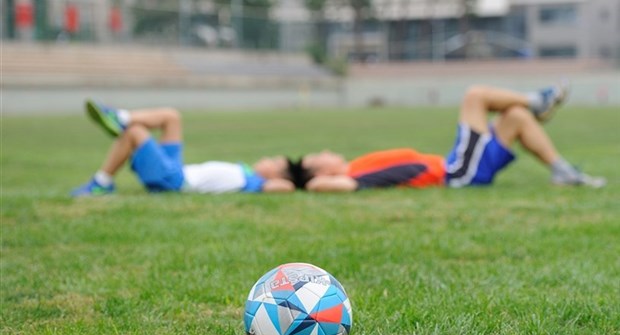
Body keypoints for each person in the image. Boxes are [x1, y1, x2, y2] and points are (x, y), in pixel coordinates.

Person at [298, 84, 607, 192]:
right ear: (323, 172)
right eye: (318, 156)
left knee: (515, 117)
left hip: (458, 167)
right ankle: (538, 100)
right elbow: (320, 186)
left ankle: (562, 170)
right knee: (475, 96)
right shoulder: (353, 177)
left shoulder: (355, 166)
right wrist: (306, 180)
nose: (325, 150)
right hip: (457, 173)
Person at [71, 101, 297, 196]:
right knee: (172, 117)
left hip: (175, 181)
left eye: (275, 163)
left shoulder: (258, 183)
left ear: (276, 175)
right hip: (177, 169)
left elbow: (287, 187)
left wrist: (302, 176)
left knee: (135, 133)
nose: (268, 158)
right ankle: (121, 117)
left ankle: (101, 184)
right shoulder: (246, 171)